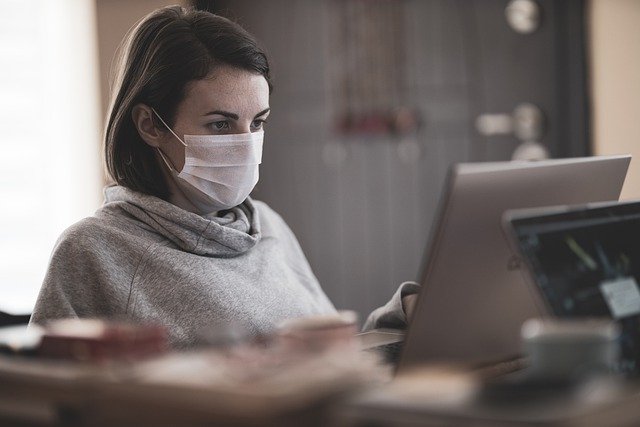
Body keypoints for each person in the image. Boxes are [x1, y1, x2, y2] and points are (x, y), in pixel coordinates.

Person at [30, 6, 419, 348]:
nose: (246, 144)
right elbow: (39, 400)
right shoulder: (93, 252)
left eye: (258, 122)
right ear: (150, 125)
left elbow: (331, 358)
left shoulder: (268, 225)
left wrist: (403, 317)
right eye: (220, 124)